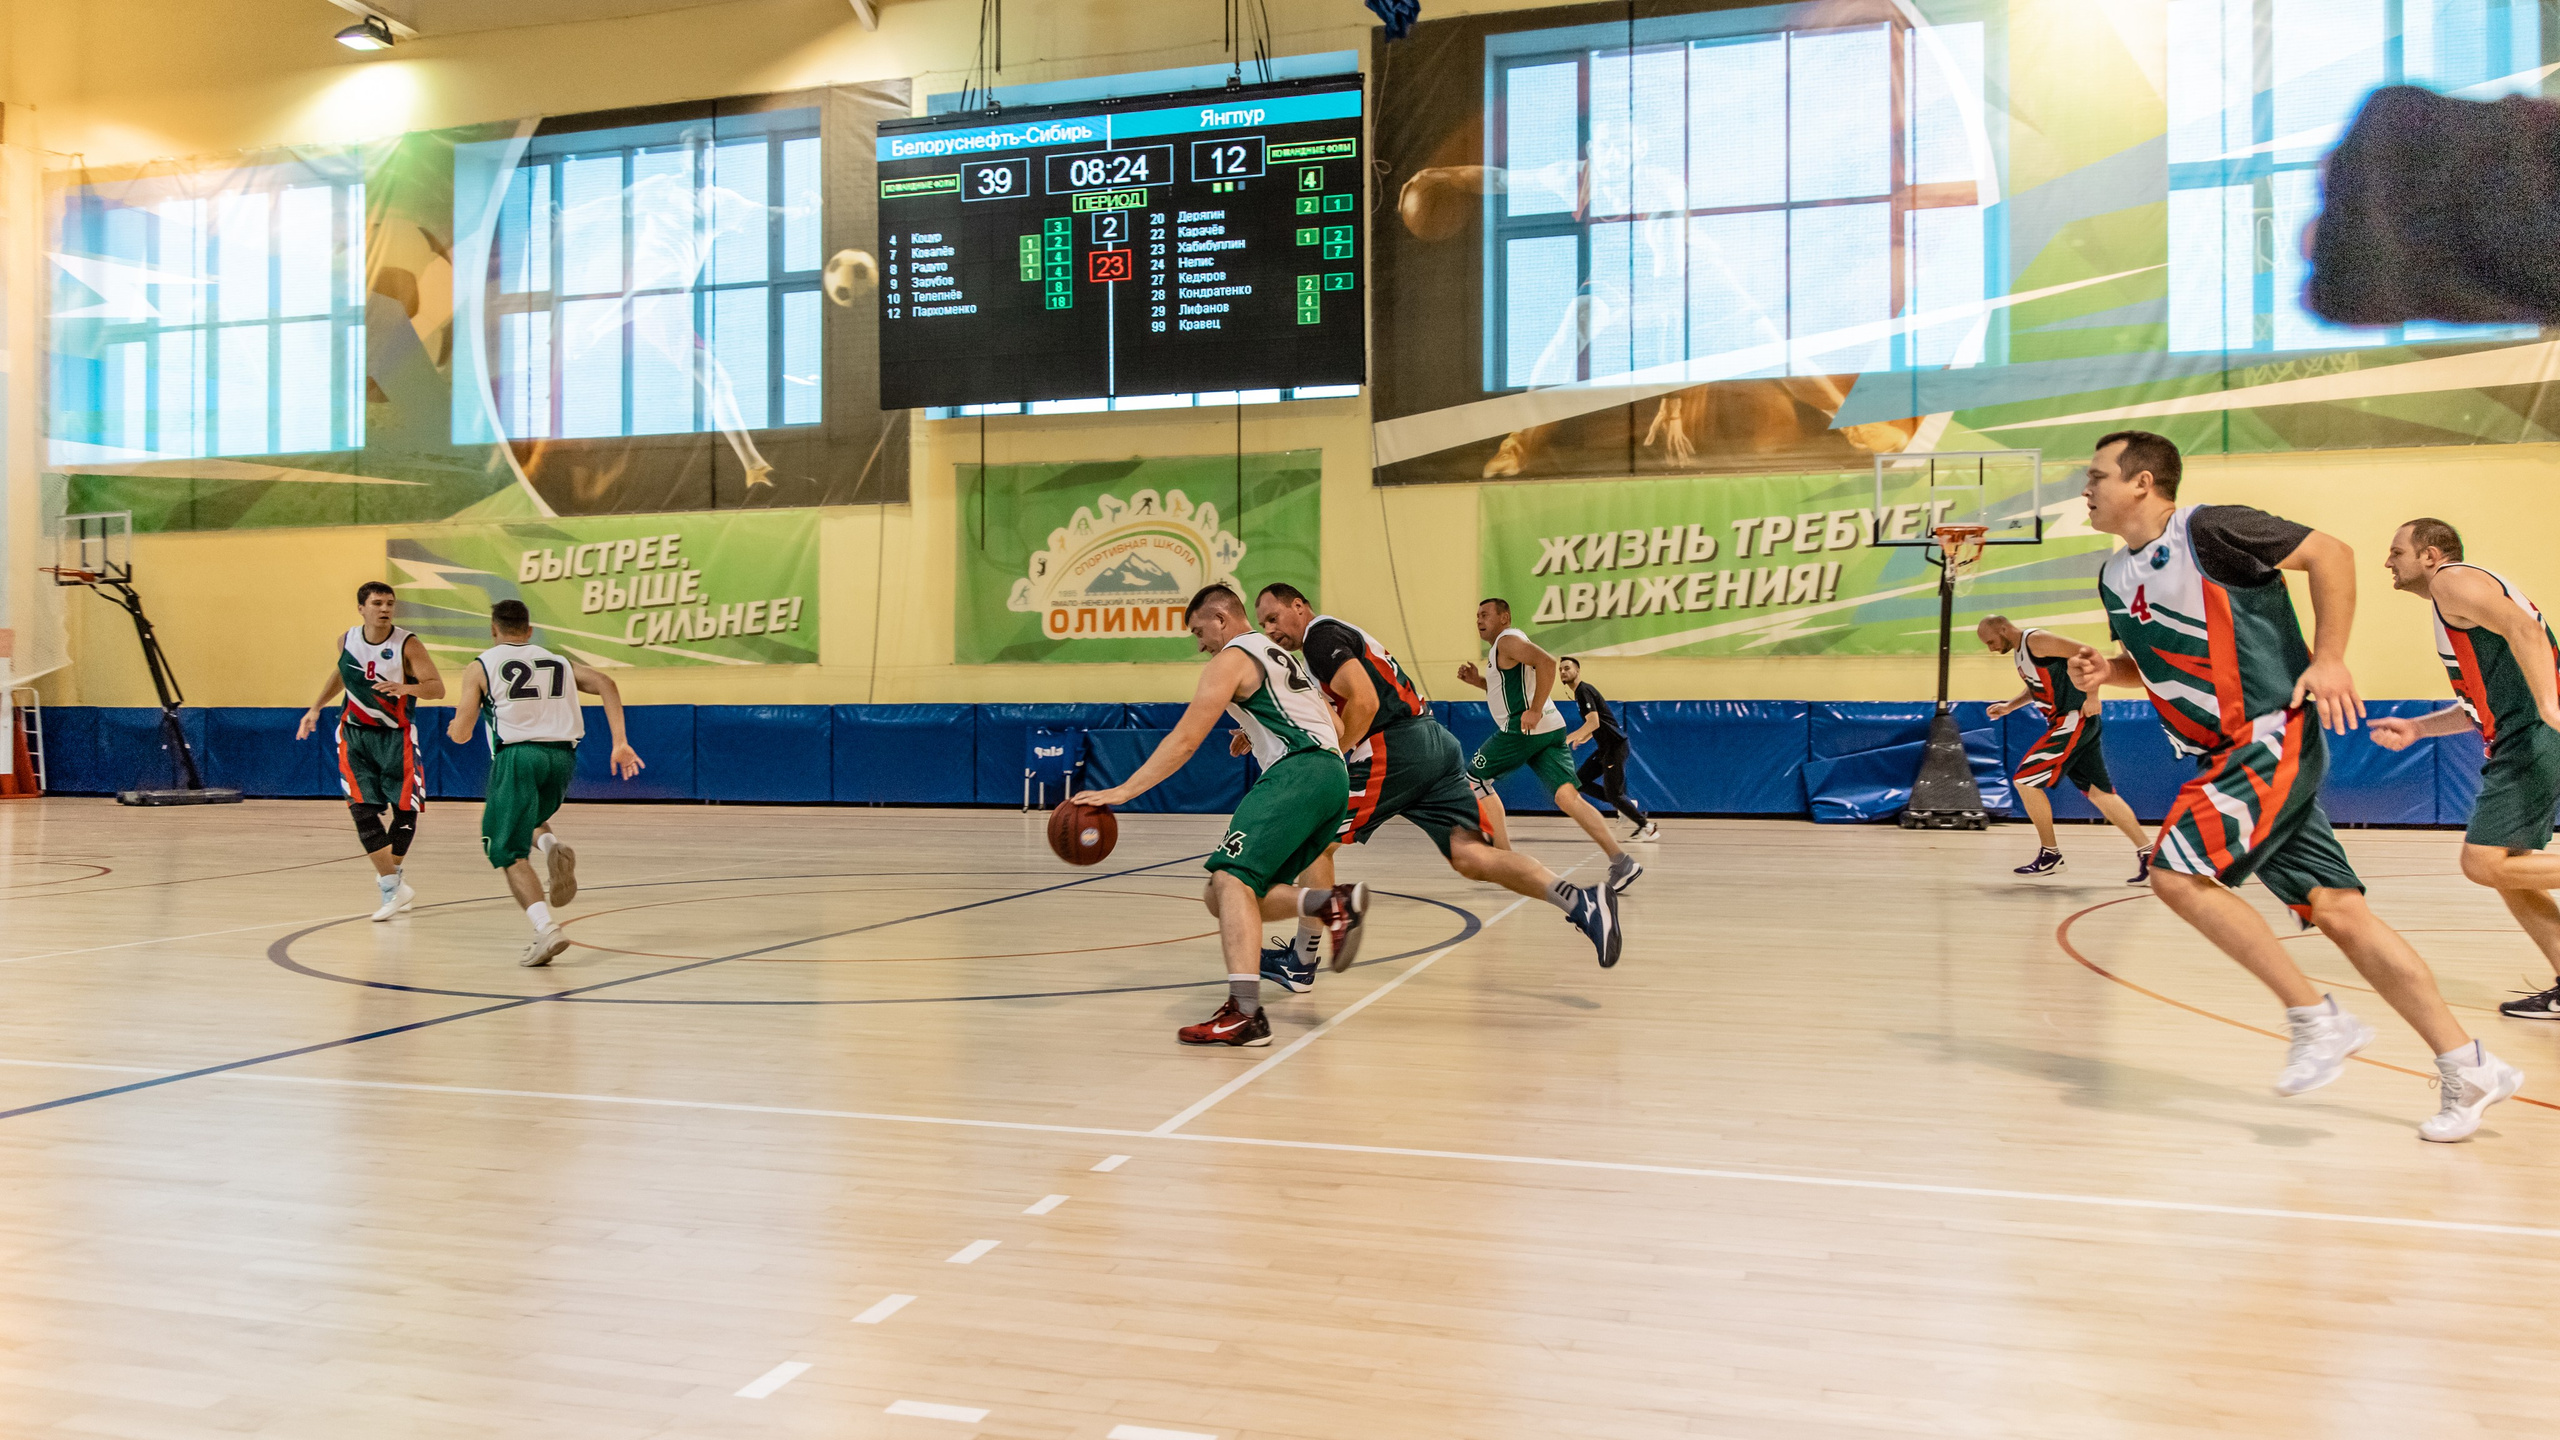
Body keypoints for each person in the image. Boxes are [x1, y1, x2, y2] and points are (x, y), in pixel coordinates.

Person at [2065, 431, 2520, 1141]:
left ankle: (2317, 1019)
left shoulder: (2210, 529)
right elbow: (2159, 660)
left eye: (2096, 476)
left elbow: (2331, 554)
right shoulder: (2114, 576)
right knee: (2341, 914)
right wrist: (2109, 673)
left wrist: (2330, 657)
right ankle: (2469, 1065)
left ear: (2144, 482)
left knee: (2177, 873)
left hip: (2268, 735)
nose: (2085, 489)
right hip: (2224, 754)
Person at [1245, 585, 1625, 991]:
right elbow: (1344, 707)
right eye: (1263, 623)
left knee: (1315, 839)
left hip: (1396, 747)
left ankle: (1300, 962)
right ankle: (1581, 901)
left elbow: (1366, 703)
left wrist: (1331, 759)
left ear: (1299, 607)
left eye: (1273, 617)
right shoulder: (1333, 641)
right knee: (1472, 856)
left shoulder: (1321, 636)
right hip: (1434, 743)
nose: (1270, 629)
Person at [1069, 584, 1366, 1047]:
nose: (1199, 643)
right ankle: (1328, 903)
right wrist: (1258, 728)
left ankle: (1245, 1014)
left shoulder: (1229, 658)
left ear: (1222, 620)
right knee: (1221, 895)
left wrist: (1124, 791)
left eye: (1198, 630)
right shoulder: (1281, 656)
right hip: (1331, 775)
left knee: (1230, 878)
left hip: (1299, 772)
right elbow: (1339, 725)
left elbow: (1186, 738)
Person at [2371, 518, 2560, 1021]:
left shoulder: (2451, 580)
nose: (2388, 562)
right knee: (2510, 873)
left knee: (2481, 863)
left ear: (2430, 556)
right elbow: (2479, 705)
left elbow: (2526, 629)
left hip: (2533, 737)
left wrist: (2550, 707)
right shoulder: (2450, 605)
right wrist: (2418, 729)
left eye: (2396, 551)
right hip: (2521, 735)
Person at [444, 600, 644, 967]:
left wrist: (455, 730)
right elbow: (606, 683)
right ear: (529, 629)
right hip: (563, 758)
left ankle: (545, 929)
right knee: (528, 816)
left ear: (493, 629)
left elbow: (463, 731)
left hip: (518, 757)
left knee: (506, 850)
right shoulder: (559, 661)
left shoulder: (480, 666)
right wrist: (620, 741)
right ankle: (551, 845)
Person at [1457, 598, 1640, 894]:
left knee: (1474, 778)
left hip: (1524, 728)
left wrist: (1536, 709)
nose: (1479, 619)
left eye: (1486, 614)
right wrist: (1477, 681)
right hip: (1550, 730)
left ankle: (1504, 861)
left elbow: (1546, 662)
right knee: (1568, 798)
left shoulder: (1508, 641)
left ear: (1504, 618)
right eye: (1477, 615)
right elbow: (1510, 688)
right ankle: (1621, 861)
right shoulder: (1504, 647)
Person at [297, 581, 444, 922]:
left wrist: (405, 686)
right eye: (377, 603)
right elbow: (342, 673)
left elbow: (436, 688)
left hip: (397, 737)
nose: (385, 608)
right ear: (361, 608)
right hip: (355, 736)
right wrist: (316, 707)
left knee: (404, 812)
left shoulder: (408, 644)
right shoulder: (346, 640)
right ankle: (391, 887)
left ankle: (392, 879)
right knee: (361, 811)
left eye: (390, 603)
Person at [1977, 615, 2152, 882]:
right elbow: (2037, 686)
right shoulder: (2022, 652)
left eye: (1990, 641)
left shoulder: (2036, 640)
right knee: (2101, 794)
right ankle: (2149, 855)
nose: (1989, 648)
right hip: (2069, 721)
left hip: (2073, 719)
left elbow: (2088, 655)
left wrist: (2092, 695)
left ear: (2003, 628)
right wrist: (2009, 706)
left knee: (2025, 780)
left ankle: (2050, 855)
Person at [1558, 656, 1660, 843]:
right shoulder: (1580, 693)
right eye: (1561, 670)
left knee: (1614, 794)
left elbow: (1593, 722)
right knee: (1579, 781)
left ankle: (1647, 827)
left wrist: (1568, 738)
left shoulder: (1583, 690)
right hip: (1605, 748)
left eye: (1567, 668)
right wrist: (1584, 737)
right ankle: (1627, 805)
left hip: (1615, 747)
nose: (1563, 672)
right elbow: (1597, 724)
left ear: (1577, 671)